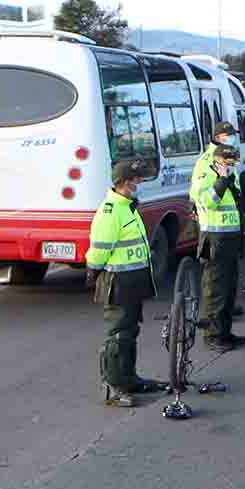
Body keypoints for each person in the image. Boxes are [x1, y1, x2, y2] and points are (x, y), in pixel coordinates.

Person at [87, 161, 162, 407]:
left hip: (132, 281)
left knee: (130, 332)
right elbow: (99, 250)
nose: (138, 183)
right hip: (117, 282)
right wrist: (92, 271)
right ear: (121, 183)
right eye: (134, 180)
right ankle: (113, 386)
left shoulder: (127, 207)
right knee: (118, 335)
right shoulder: (111, 211)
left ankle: (129, 378)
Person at [191, 142, 245, 352]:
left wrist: (228, 179)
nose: (231, 166)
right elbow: (207, 202)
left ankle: (225, 331)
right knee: (216, 289)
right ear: (217, 161)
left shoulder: (230, 177)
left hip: (230, 238)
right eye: (227, 162)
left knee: (230, 288)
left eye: (233, 163)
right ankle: (213, 335)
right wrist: (222, 180)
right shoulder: (206, 177)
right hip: (215, 238)